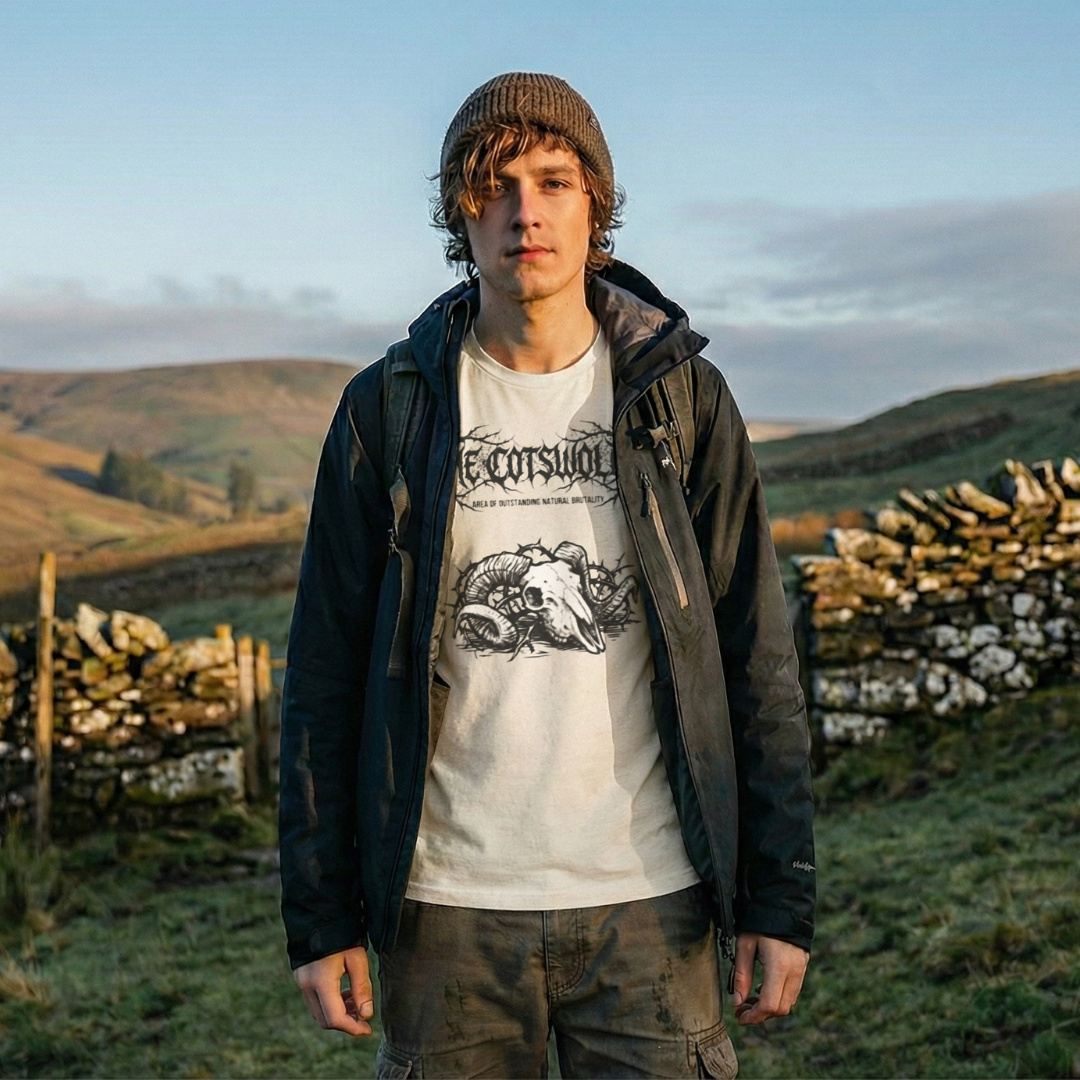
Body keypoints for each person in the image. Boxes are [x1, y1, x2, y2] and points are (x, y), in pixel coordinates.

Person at [279, 72, 815, 1079]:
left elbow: (755, 657)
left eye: (555, 180)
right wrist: (320, 917)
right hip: (444, 916)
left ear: (595, 205)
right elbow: (322, 676)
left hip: (654, 903)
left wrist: (780, 902)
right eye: (494, 184)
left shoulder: (682, 401)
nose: (525, 211)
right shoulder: (387, 414)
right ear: (458, 214)